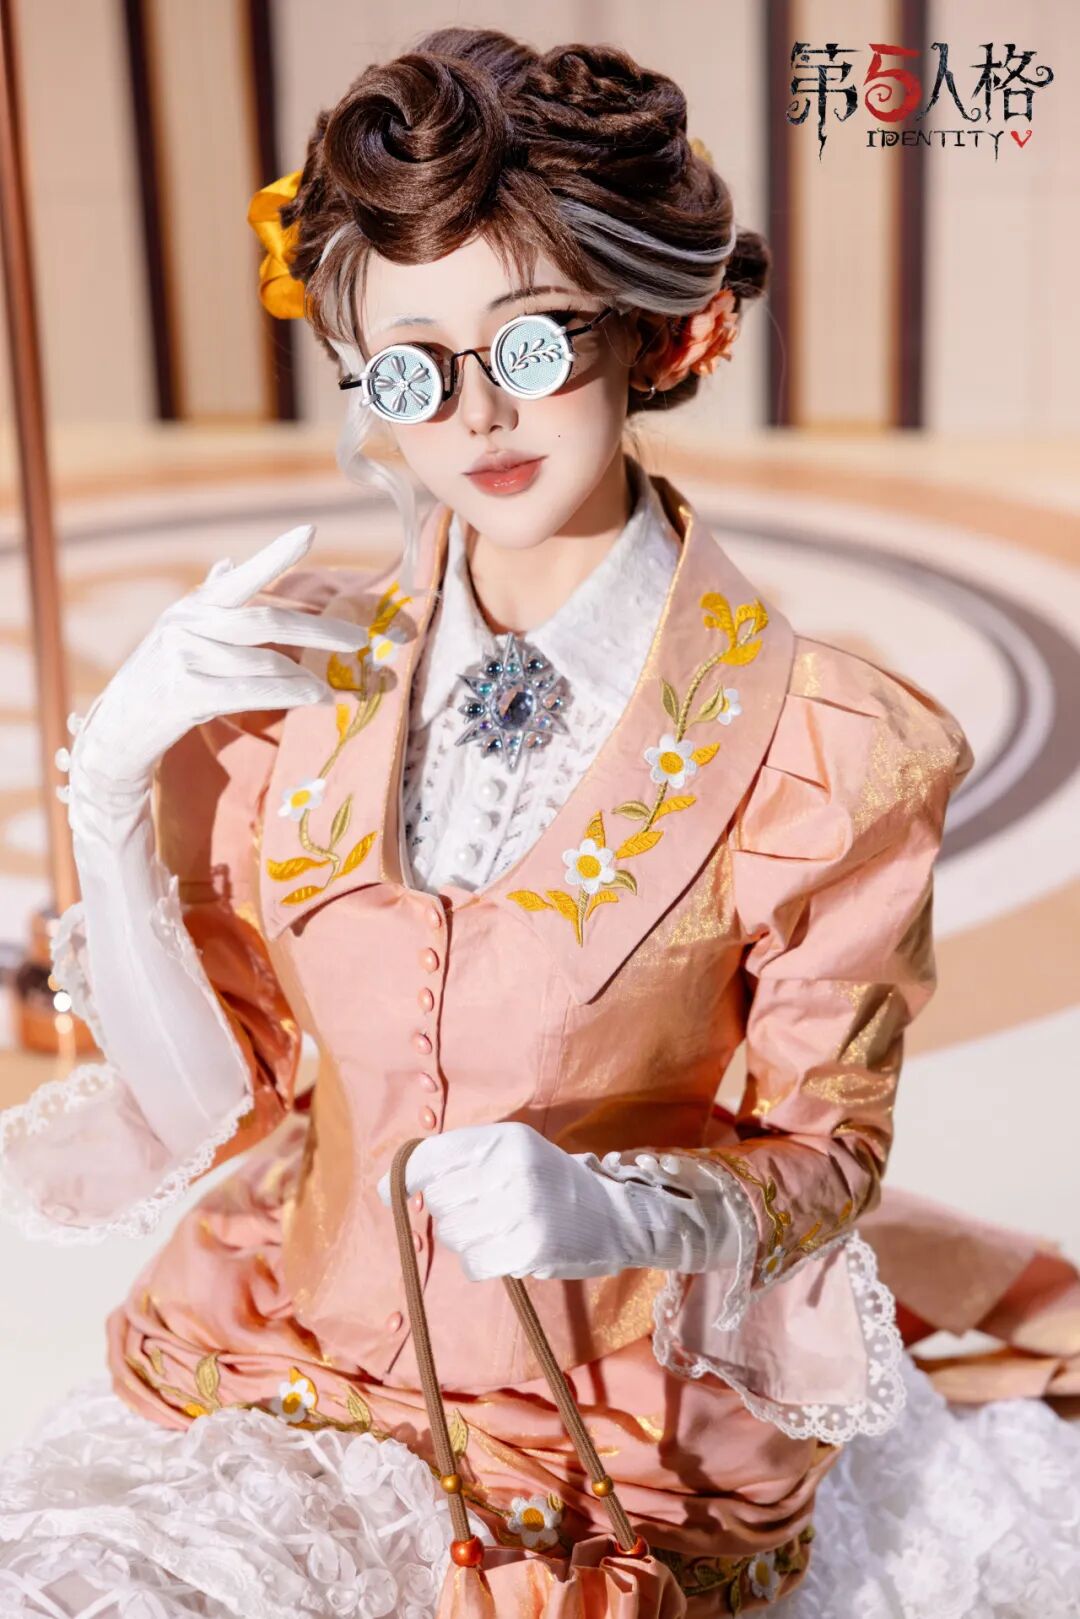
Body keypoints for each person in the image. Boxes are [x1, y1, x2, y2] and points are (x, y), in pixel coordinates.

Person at [1, 28, 1078, 1619]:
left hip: (616, 1423)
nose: (478, 418)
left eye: (531, 341)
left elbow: (829, 1149)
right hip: (289, 1354)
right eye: (414, 367)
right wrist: (108, 797)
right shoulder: (286, 695)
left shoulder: (822, 746)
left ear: (649, 329)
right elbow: (212, 1101)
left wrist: (619, 1209)